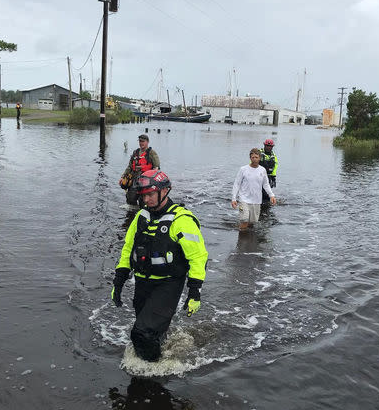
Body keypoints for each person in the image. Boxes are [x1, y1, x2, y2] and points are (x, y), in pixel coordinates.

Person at [111, 169, 208, 362]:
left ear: (165, 191)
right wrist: (119, 281)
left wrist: (194, 292)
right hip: (143, 282)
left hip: (168, 284)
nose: (146, 200)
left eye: (150, 194)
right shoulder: (141, 217)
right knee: (149, 331)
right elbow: (128, 249)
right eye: (143, 195)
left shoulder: (182, 221)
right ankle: (158, 356)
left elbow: (198, 257)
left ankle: (153, 369)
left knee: (141, 332)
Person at [231, 148, 276, 230]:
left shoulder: (262, 170)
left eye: (256, 157)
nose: (254, 159)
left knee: (252, 222)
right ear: (250, 158)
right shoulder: (243, 169)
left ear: (259, 158)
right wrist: (234, 198)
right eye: (252, 157)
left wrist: (271, 195)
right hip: (244, 199)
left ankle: (249, 240)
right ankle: (241, 240)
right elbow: (237, 184)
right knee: (244, 220)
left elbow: (266, 184)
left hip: (256, 200)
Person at [119, 134, 160, 205]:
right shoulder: (135, 152)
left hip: (146, 181)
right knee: (131, 198)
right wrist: (123, 177)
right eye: (140, 141)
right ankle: (131, 214)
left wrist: (152, 181)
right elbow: (130, 167)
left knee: (143, 200)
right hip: (134, 179)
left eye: (143, 141)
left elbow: (157, 167)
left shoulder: (152, 153)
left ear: (147, 142)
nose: (141, 143)